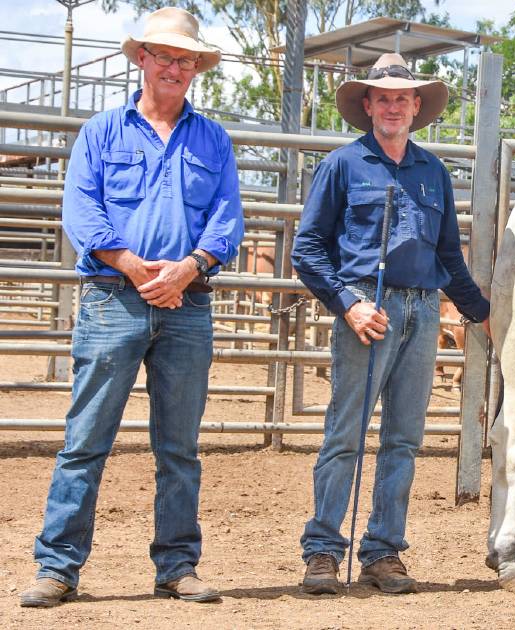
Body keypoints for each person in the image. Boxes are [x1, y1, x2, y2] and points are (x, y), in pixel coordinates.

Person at [19, 7, 244, 607]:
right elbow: (82, 209)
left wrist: (190, 267)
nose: (175, 66)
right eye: (165, 56)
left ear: (196, 68)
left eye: (186, 59)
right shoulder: (100, 131)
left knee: (180, 447)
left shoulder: (213, 138)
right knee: (86, 439)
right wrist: (135, 266)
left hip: (187, 302)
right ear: (141, 58)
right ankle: (58, 566)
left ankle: (176, 565)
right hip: (114, 296)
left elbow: (226, 218)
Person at [292, 53, 489, 595]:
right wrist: (348, 305)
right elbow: (307, 250)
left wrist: (480, 312)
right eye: (383, 97)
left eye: (403, 97)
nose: (393, 105)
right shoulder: (343, 165)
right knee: (345, 434)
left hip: (422, 310)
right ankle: (324, 550)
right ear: (368, 106)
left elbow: (449, 254)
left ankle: (383, 551)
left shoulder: (434, 172)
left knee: (404, 437)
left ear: (417, 106)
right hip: (366, 309)